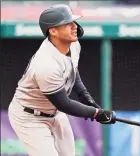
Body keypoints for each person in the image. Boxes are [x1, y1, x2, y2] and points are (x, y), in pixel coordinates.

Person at [8, 4, 116, 156]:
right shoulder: (45, 64)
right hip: (29, 117)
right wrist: (96, 113)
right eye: (68, 24)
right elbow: (64, 104)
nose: (74, 27)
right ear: (53, 31)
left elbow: (72, 69)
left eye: (74, 22)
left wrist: (86, 98)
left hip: (55, 113)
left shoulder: (74, 44)